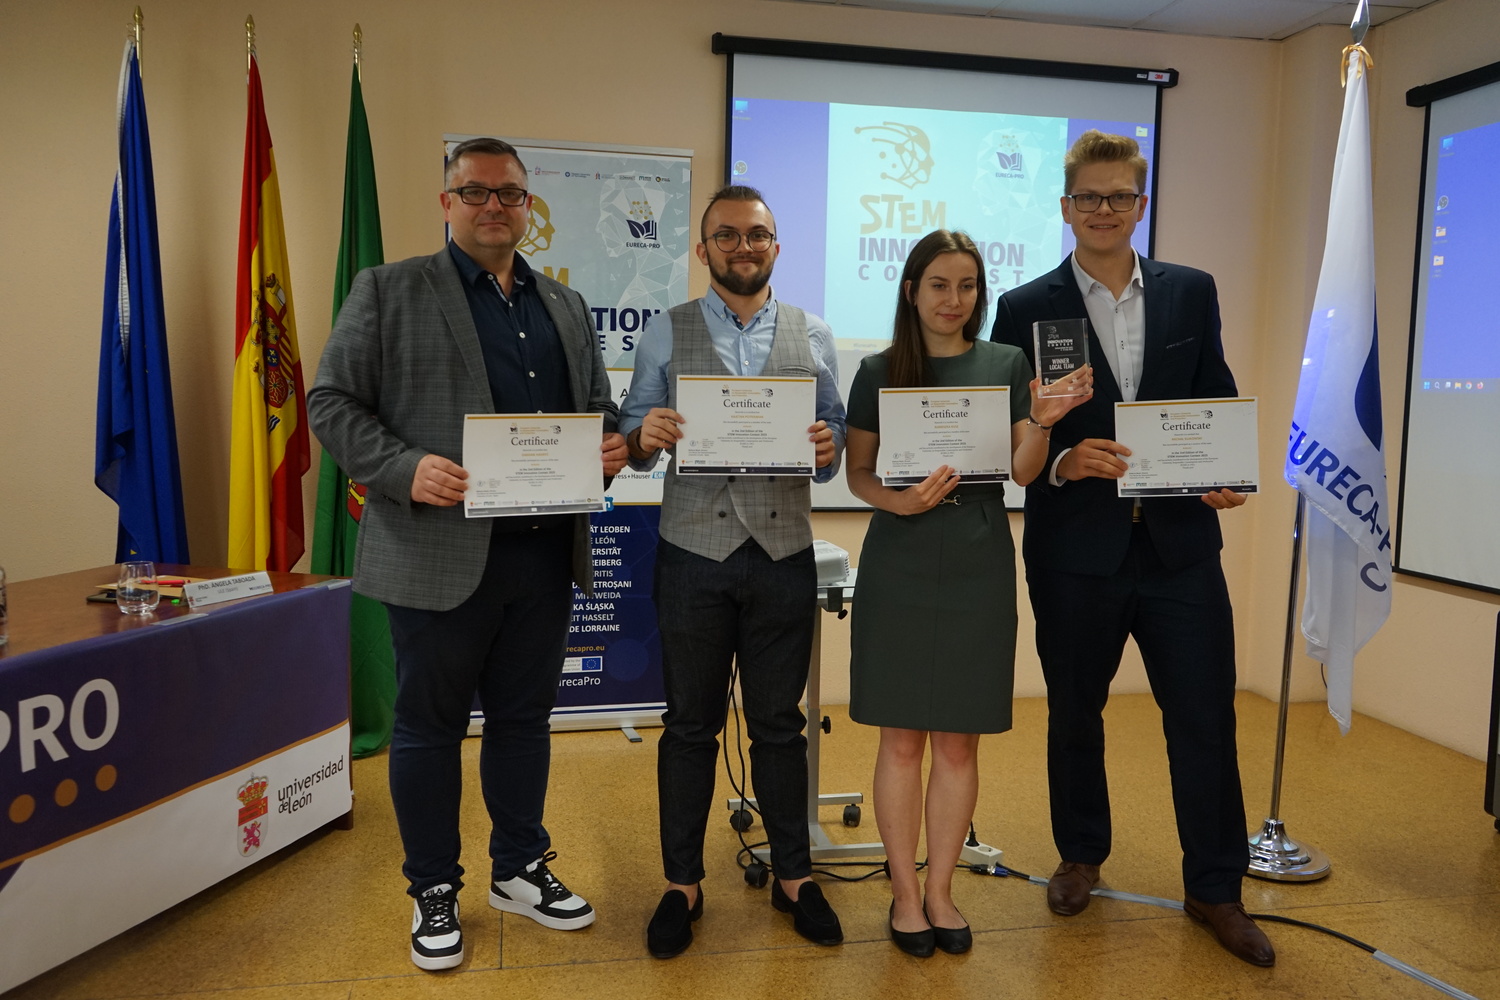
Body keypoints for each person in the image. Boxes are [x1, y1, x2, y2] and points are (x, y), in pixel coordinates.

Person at [307, 137, 627, 972]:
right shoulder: (388, 290)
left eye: (509, 194)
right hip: (435, 554)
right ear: (446, 202)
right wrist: (405, 469)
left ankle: (518, 867)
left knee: (524, 722)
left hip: (543, 557)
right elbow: (330, 403)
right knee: (429, 729)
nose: (494, 206)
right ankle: (433, 888)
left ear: (528, 208)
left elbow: (596, 409)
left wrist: (607, 446)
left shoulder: (565, 304)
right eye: (476, 191)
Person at [990, 130, 1273, 967]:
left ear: (1141, 204)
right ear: (1066, 206)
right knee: (1075, 713)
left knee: (1205, 717)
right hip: (1075, 550)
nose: (1104, 209)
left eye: (1119, 196)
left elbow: (1214, 396)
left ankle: (1216, 887)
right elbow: (1011, 437)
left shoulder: (1191, 291)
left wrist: (1227, 475)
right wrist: (1061, 464)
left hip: (1181, 549)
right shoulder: (1024, 305)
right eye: (1089, 196)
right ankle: (1081, 855)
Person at [844, 229, 1091, 957]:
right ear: (911, 291)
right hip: (900, 555)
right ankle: (904, 895)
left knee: (957, 741)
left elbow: (1023, 470)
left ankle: (942, 891)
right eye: (939, 285)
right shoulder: (877, 370)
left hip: (979, 554)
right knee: (900, 739)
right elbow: (858, 473)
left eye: (968, 286)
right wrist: (899, 502)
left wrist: (1042, 423)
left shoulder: (1006, 362)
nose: (954, 300)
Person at [619, 185, 847, 958]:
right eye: (727, 235)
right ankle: (681, 884)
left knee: (780, 725)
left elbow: (832, 437)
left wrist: (828, 449)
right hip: (691, 554)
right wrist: (644, 434)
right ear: (703, 248)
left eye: (756, 235)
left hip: (784, 554)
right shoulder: (665, 330)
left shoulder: (815, 333)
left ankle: (794, 877)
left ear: (776, 246)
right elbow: (633, 436)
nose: (742, 247)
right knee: (690, 724)